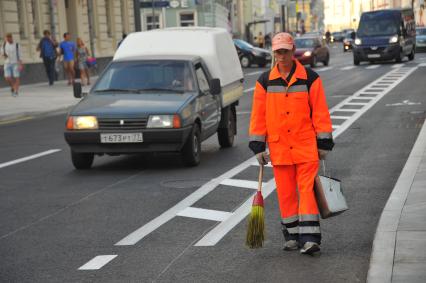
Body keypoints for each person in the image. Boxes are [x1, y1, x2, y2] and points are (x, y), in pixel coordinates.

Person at [248, 32, 334, 255]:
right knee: (286, 193)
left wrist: (323, 142)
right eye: (278, 51)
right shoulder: (264, 81)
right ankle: (292, 236)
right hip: (280, 148)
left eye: (285, 51)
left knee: (306, 191)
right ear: (273, 53)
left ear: (292, 50)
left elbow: (320, 113)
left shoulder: (310, 78)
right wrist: (258, 146)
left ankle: (310, 238)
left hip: (305, 146)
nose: (282, 56)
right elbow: (258, 116)